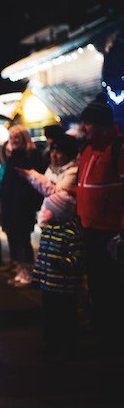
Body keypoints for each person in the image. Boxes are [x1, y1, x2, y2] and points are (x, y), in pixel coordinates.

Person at [15, 134, 84, 361]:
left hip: (64, 240)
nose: (54, 154)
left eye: (59, 150)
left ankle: (68, 343)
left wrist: (32, 176)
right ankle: (52, 341)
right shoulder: (54, 171)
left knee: (65, 302)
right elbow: (50, 193)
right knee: (49, 301)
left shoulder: (72, 172)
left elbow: (57, 195)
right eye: (52, 150)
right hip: (50, 237)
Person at [75, 93, 124, 343]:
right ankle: (100, 325)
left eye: (89, 123)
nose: (84, 128)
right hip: (89, 229)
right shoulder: (86, 150)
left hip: (110, 232)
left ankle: (112, 331)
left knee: (111, 284)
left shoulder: (118, 148)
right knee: (95, 281)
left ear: (103, 125)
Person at [0, 124, 45, 287]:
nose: (14, 140)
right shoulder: (11, 157)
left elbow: (35, 182)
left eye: (17, 137)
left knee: (23, 240)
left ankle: (28, 274)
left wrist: (26, 199)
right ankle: (21, 271)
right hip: (10, 206)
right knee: (15, 239)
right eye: (12, 138)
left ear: (24, 138)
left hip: (23, 207)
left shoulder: (31, 155)